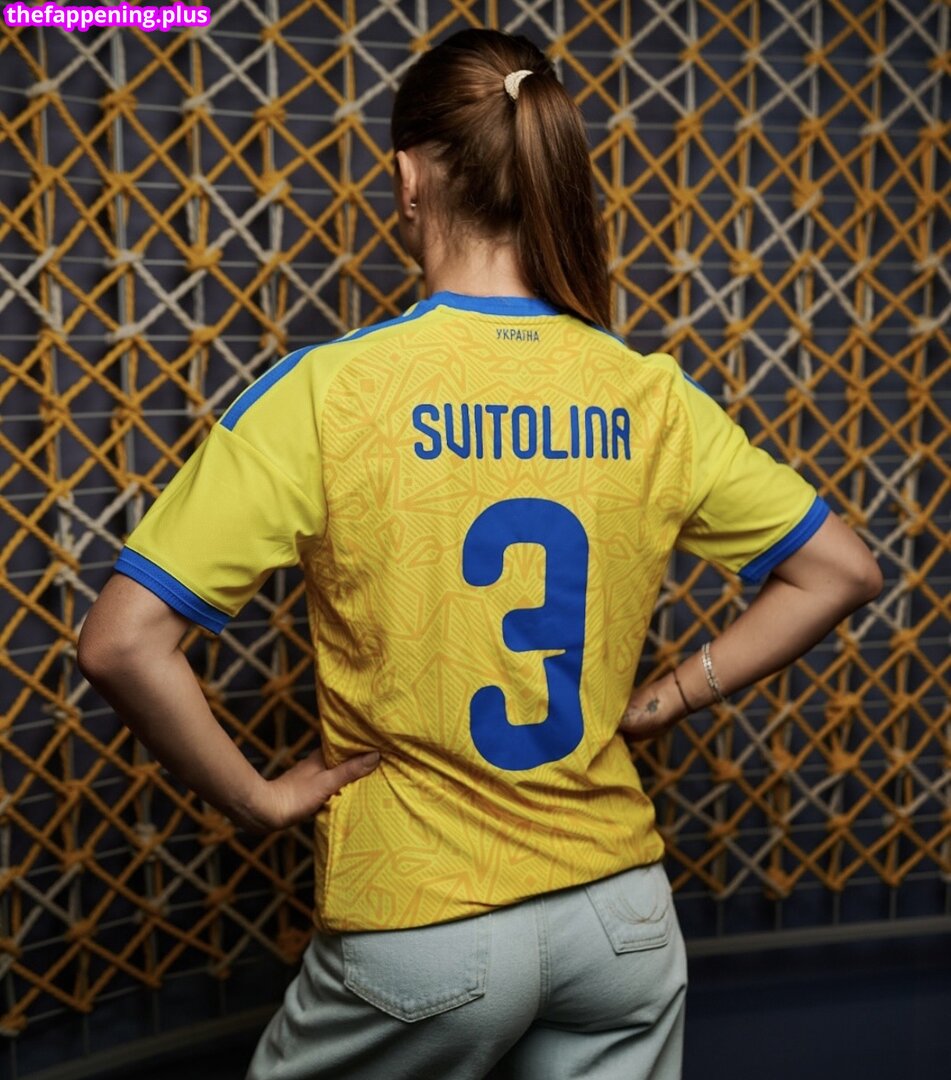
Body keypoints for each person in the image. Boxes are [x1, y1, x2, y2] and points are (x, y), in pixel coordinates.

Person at [77, 27, 882, 1080]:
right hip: (621, 922)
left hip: (422, 923)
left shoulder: (328, 392)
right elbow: (842, 570)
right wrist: (668, 698)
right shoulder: (650, 394)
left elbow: (122, 643)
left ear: (409, 177)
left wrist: (258, 799)